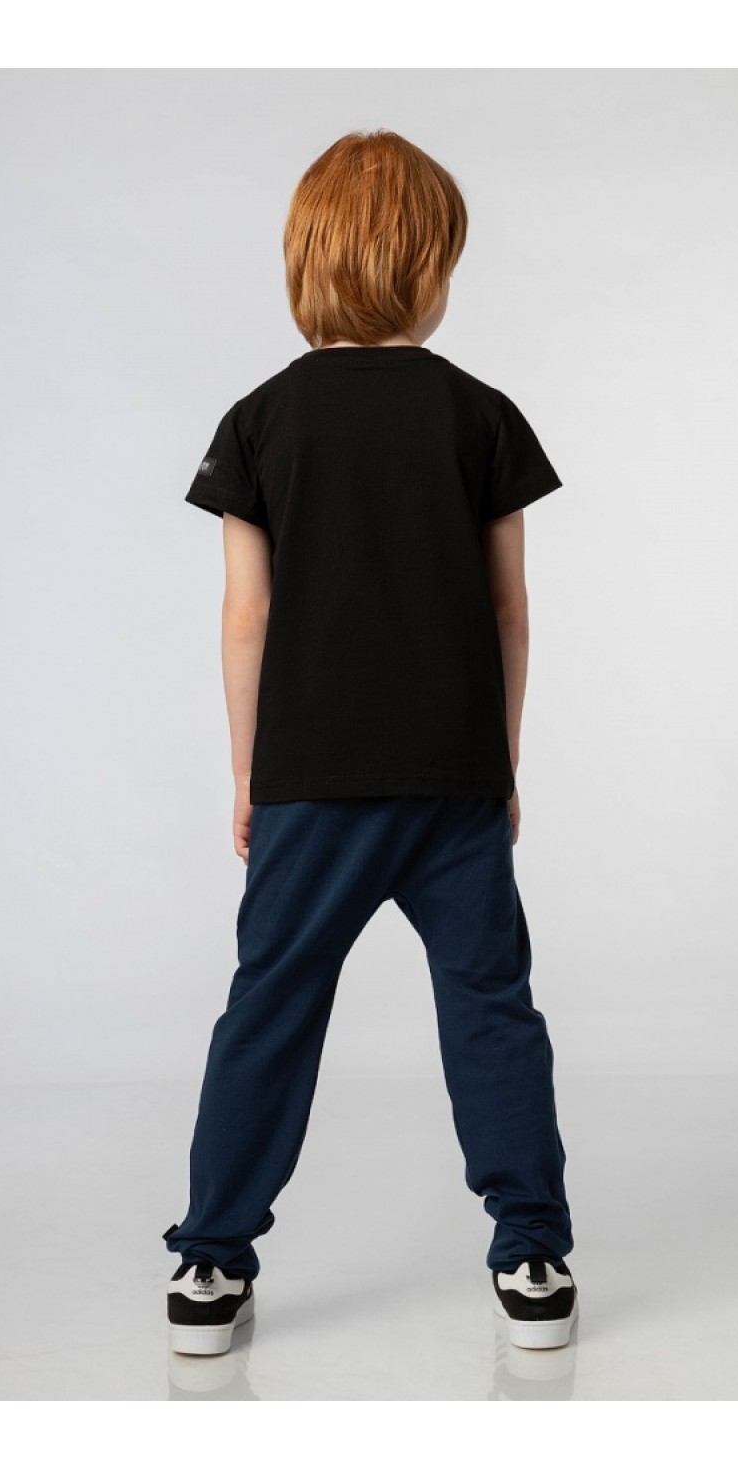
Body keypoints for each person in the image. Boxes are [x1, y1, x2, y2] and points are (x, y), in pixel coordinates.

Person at [163, 129, 578, 1358]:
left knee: (270, 1007)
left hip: (311, 782)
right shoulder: (480, 416)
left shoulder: (258, 421)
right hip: (453, 778)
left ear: (308, 260)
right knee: (491, 1007)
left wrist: (249, 773)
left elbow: (247, 615)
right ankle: (532, 1255)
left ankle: (209, 1263)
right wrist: (502, 765)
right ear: (431, 270)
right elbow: (508, 609)